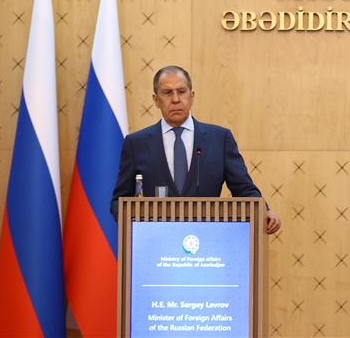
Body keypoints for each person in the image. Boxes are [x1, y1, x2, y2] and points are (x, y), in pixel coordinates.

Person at [109, 66, 281, 233]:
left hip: (206, 239)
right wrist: (134, 229)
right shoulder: (136, 143)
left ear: (192, 97)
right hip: (157, 240)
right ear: (156, 100)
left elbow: (244, 189)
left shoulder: (219, 139)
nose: (175, 99)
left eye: (181, 91)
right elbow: (119, 200)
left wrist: (264, 212)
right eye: (167, 92)